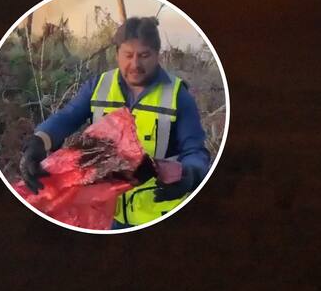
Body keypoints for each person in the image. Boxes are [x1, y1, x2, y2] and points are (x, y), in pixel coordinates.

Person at [20, 16, 210, 229]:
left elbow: (195, 151)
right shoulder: (98, 85)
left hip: (156, 210)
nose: (135, 64)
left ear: (157, 55)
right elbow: (67, 117)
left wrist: (190, 175)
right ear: (117, 54)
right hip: (105, 211)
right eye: (128, 55)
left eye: (144, 55)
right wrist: (39, 140)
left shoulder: (178, 96)